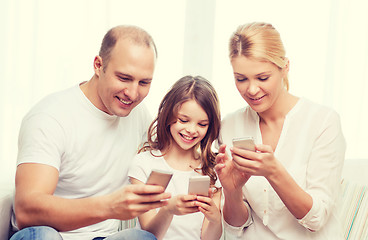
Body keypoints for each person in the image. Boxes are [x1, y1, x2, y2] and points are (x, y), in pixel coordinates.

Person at [10, 25, 171, 240]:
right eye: (124, 78)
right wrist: (109, 207)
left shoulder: (138, 114)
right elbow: (26, 211)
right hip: (46, 233)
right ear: (98, 65)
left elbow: (170, 158)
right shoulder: (50, 116)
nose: (133, 93)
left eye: (144, 82)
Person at [215, 22, 346, 239]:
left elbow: (317, 219)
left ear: (285, 67)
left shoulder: (323, 122)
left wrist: (274, 171)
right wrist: (232, 190)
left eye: (262, 78)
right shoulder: (229, 125)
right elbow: (236, 226)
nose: (252, 89)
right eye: (241, 79)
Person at [128, 76, 223, 240]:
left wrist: (214, 219)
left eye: (202, 124)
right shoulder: (144, 163)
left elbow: (208, 238)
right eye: (183, 120)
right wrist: (168, 209)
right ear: (168, 115)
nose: (192, 130)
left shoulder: (212, 170)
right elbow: (148, 235)